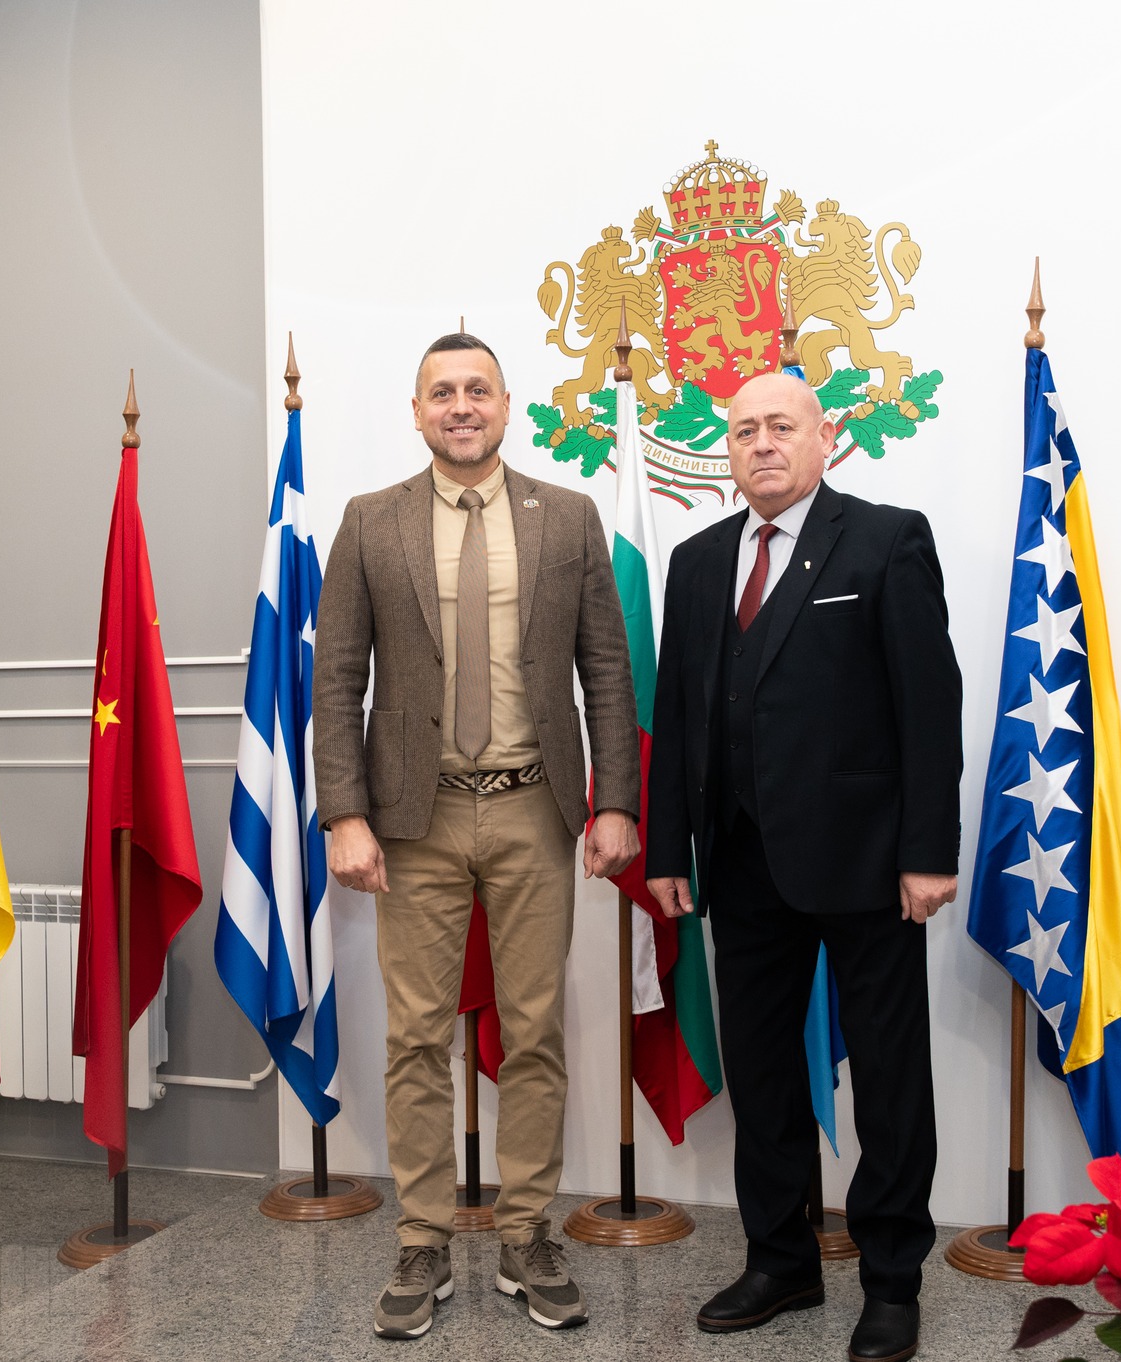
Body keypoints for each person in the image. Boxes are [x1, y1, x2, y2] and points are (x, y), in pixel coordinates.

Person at [314, 332, 641, 1341]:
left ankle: (524, 1235)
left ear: (506, 405)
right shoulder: (369, 522)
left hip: (535, 808)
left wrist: (616, 802)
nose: (461, 406)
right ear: (417, 412)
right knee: (415, 1036)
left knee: (534, 1030)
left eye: (478, 390)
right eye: (442, 392)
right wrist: (345, 814)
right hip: (414, 818)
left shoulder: (568, 517)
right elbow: (336, 679)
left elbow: (606, 669)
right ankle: (422, 1239)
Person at [645, 372, 962, 1362]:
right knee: (764, 1075)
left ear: (824, 438)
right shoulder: (698, 561)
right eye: (744, 430)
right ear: (728, 450)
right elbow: (677, 715)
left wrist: (927, 853)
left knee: (889, 1080)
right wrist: (667, 847)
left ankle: (891, 1280)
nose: (762, 445)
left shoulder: (885, 540)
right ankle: (779, 1260)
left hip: (869, 865)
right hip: (739, 864)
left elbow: (929, 706)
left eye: (781, 426)